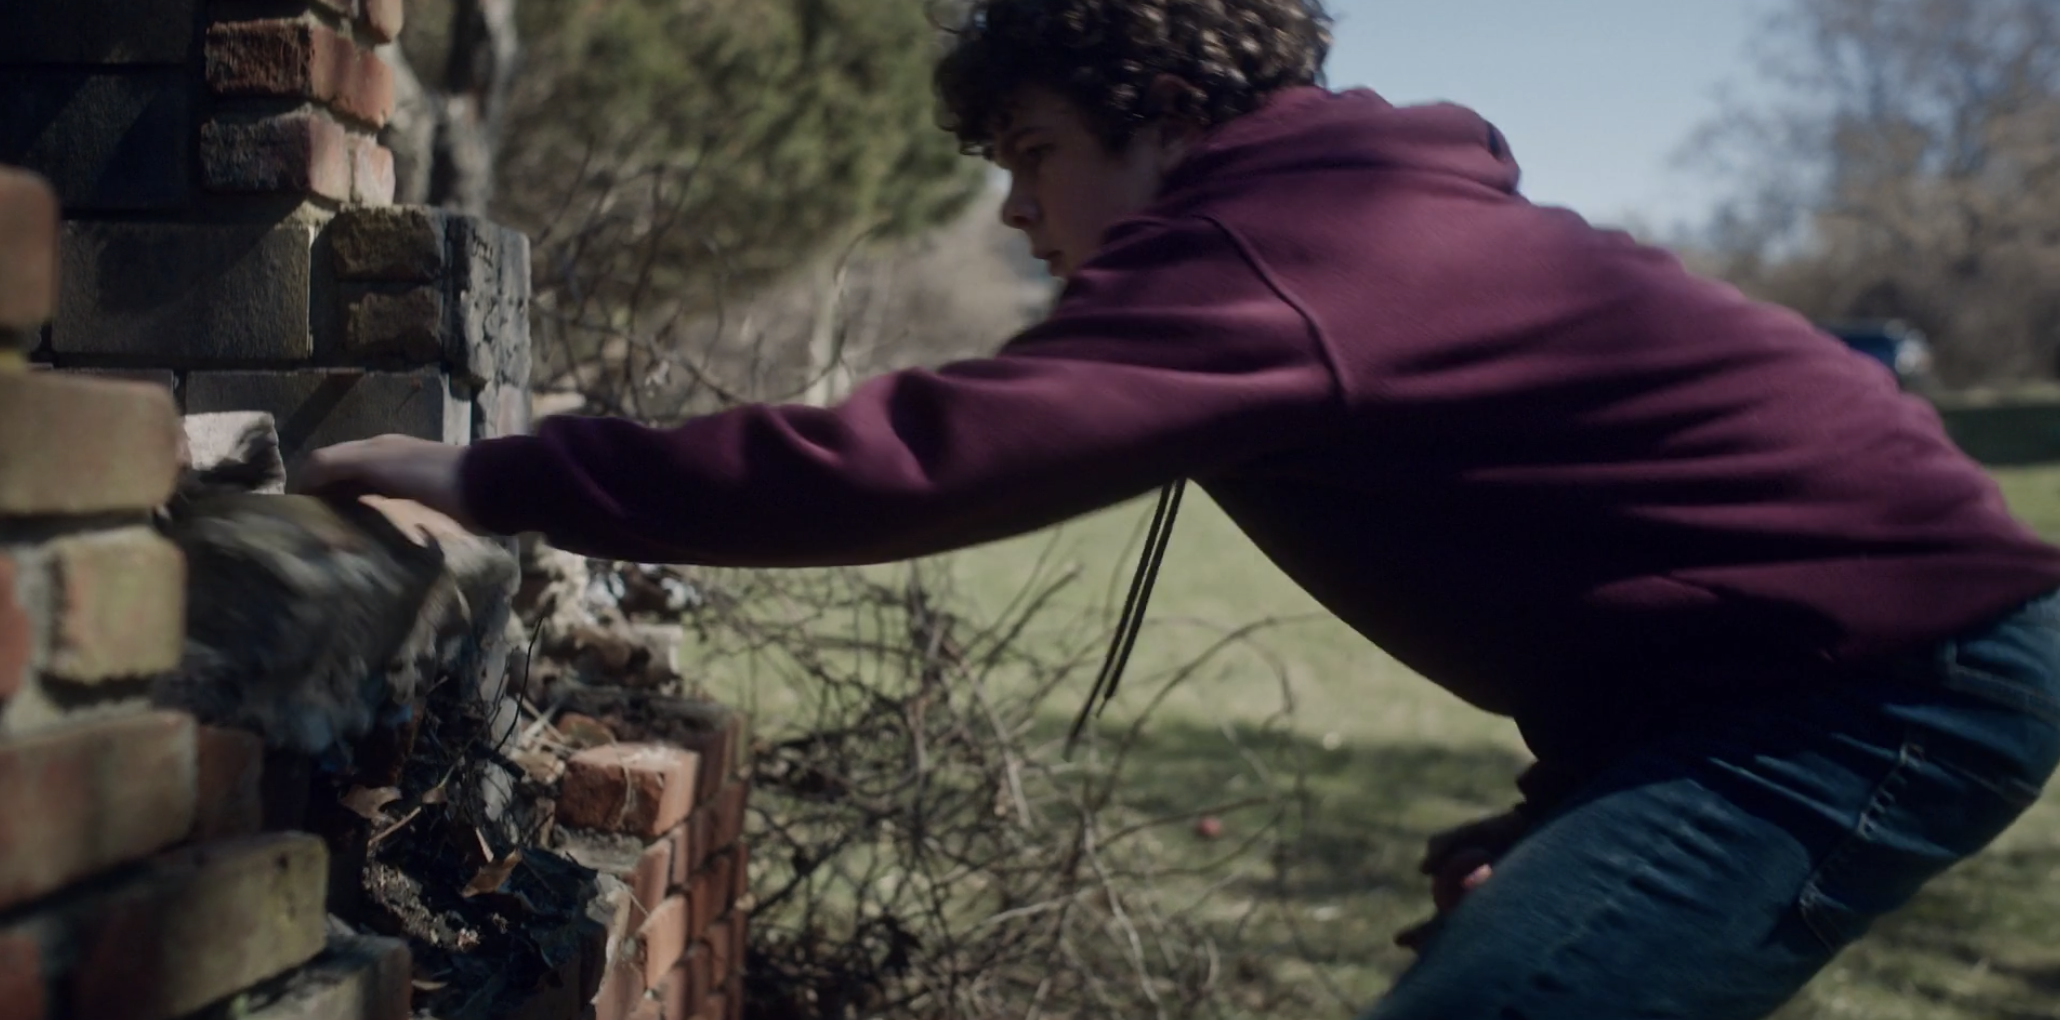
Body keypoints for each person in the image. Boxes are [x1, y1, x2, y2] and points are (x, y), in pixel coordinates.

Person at [296, 1, 2060, 1016]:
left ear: (1152, 113)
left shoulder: (1286, 259)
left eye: (1031, 157)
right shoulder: (1349, 219)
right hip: (1809, 679)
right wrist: (1587, 802)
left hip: (1879, 696)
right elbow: (1653, 539)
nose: (1015, 214)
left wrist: (493, 471)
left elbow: (911, 460)